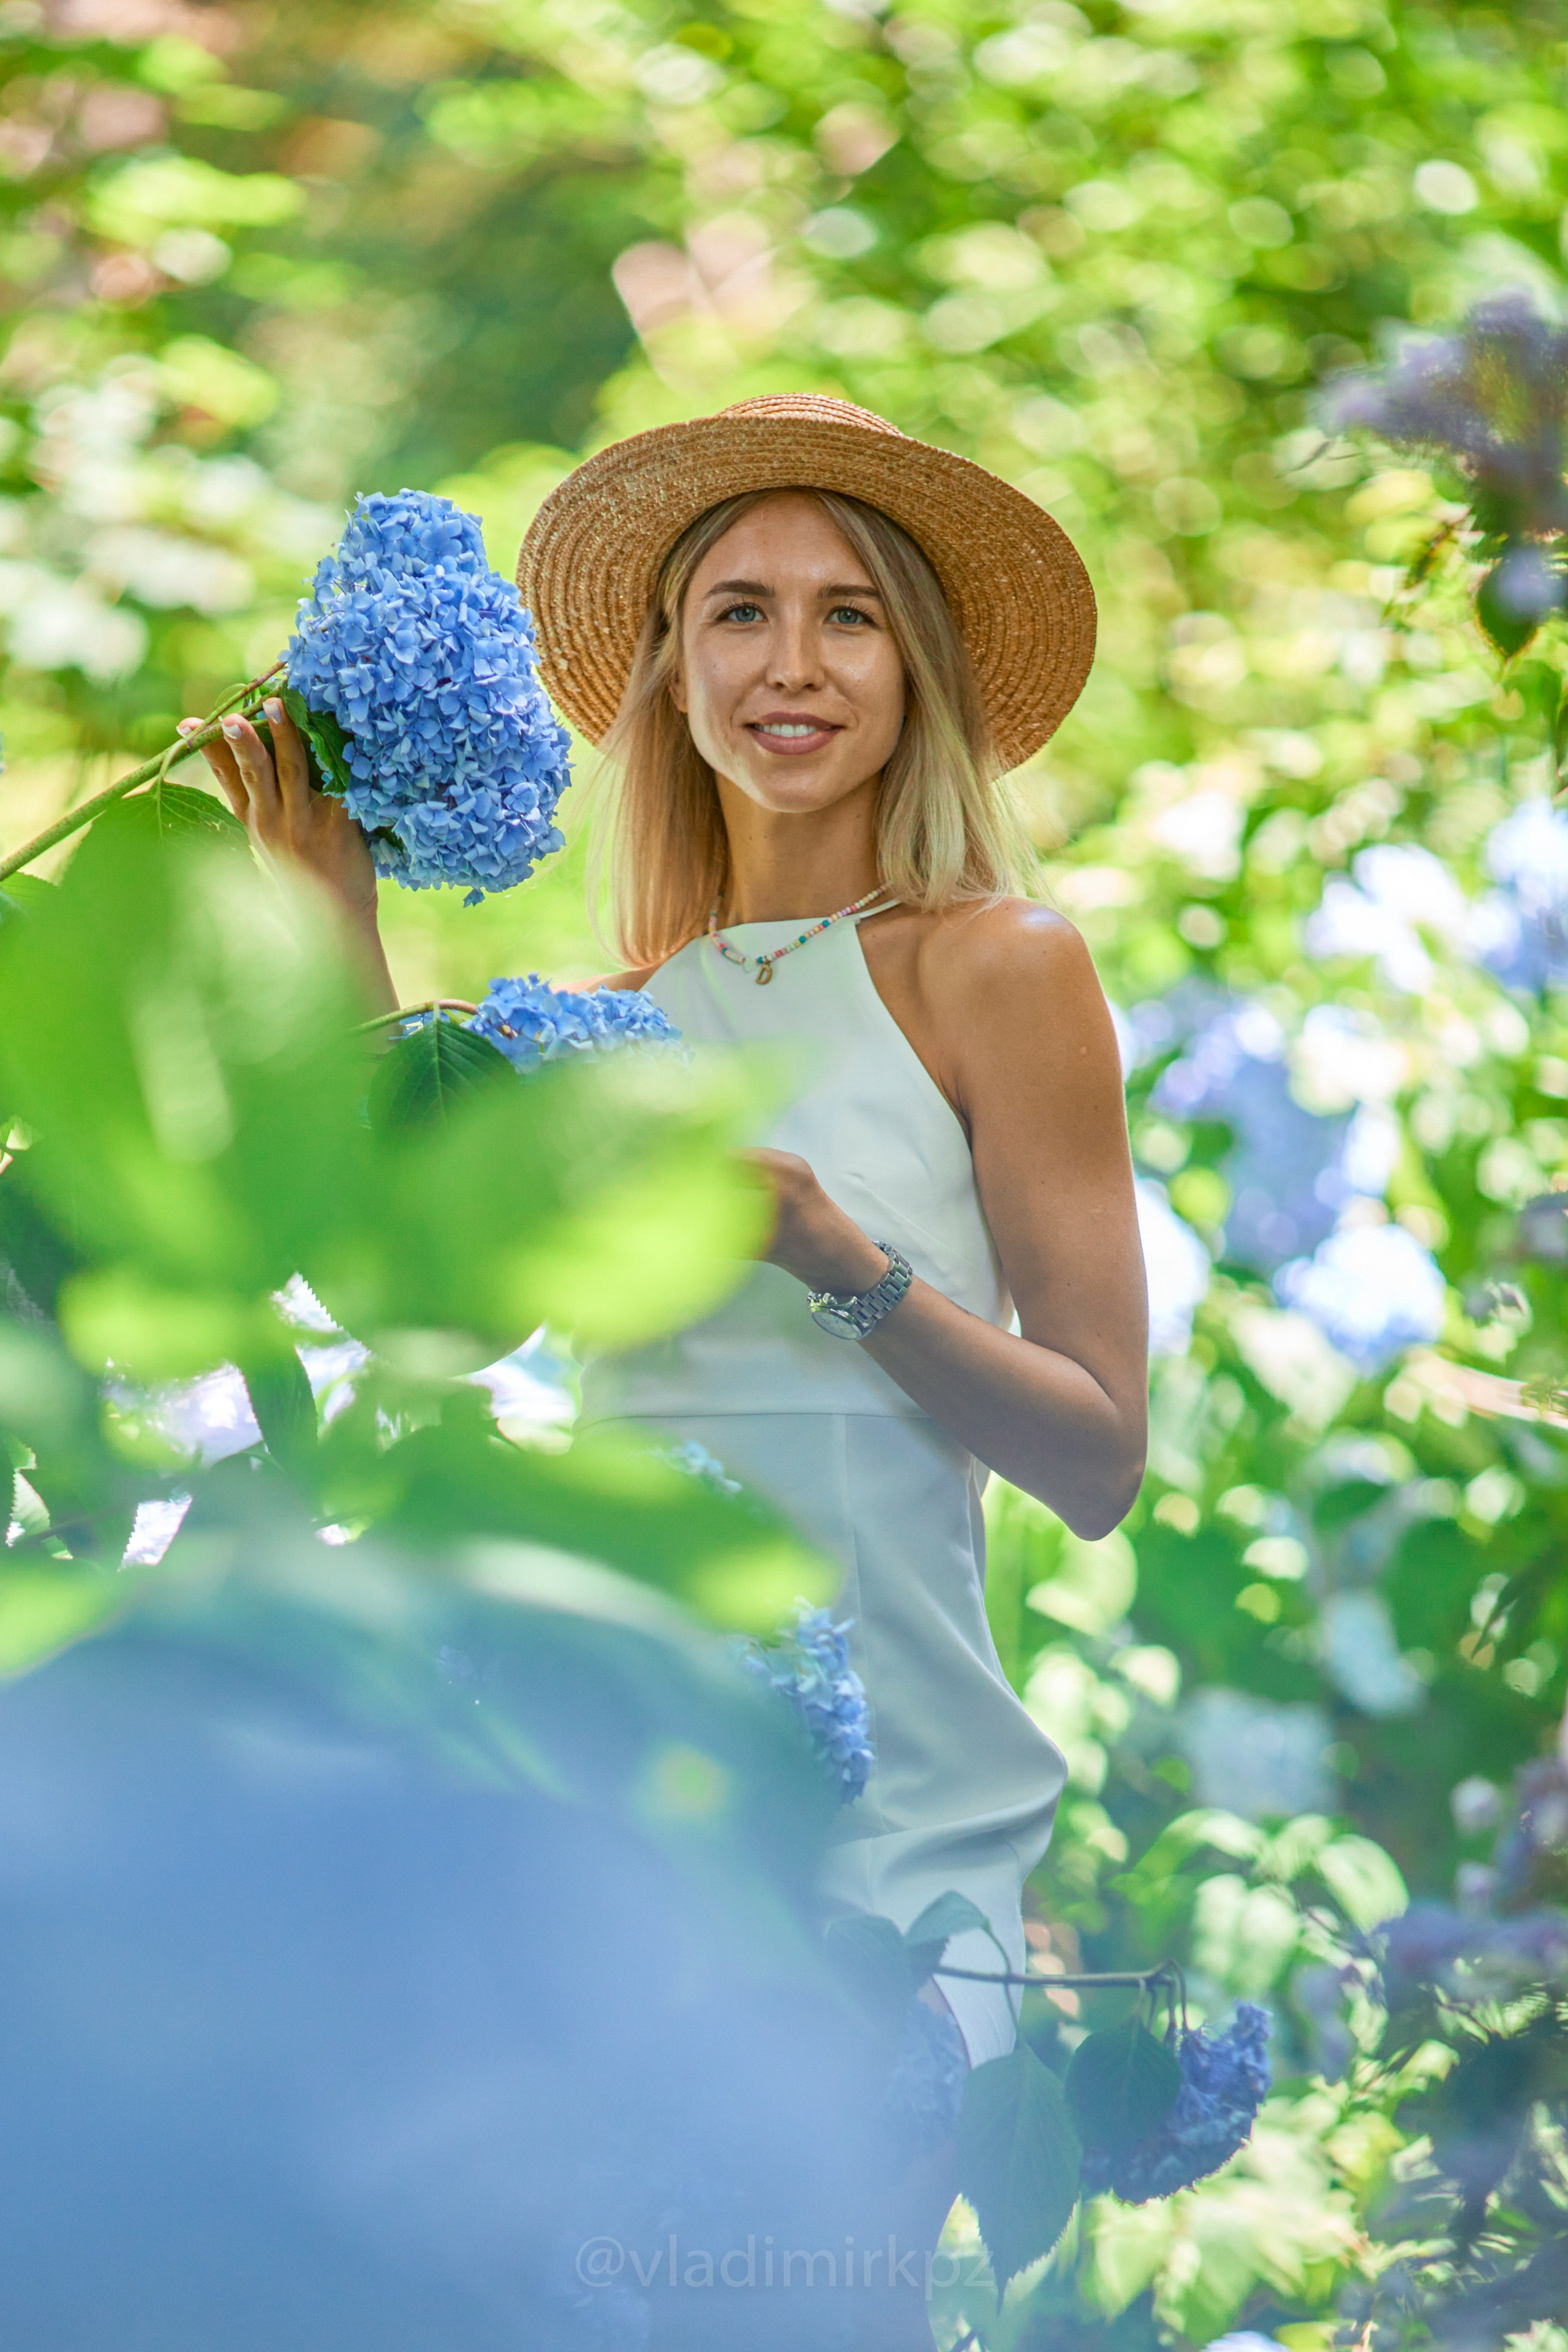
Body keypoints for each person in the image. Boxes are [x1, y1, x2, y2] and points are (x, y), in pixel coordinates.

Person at [186, 393, 1148, 2343]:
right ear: (669, 673)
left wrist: (834, 1259)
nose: (791, 664)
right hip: (615, 1759)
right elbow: (425, 1307)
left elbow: (1100, 1460)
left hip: (896, 1811)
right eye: (736, 612)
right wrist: (338, 934)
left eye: (849, 614)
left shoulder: (1000, 966)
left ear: (919, 670)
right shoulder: (596, 1022)